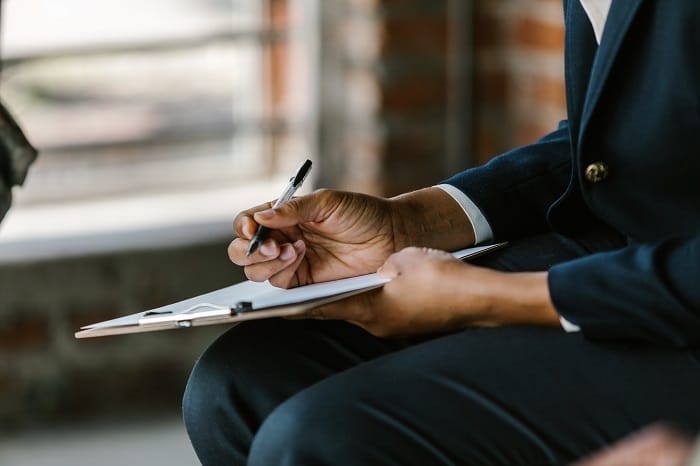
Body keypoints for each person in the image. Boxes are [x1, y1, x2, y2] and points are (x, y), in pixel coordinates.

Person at [183, 0, 700, 464]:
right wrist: (410, 222)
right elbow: (615, 139)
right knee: (237, 385)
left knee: (318, 439)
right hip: (638, 245)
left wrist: (488, 297)